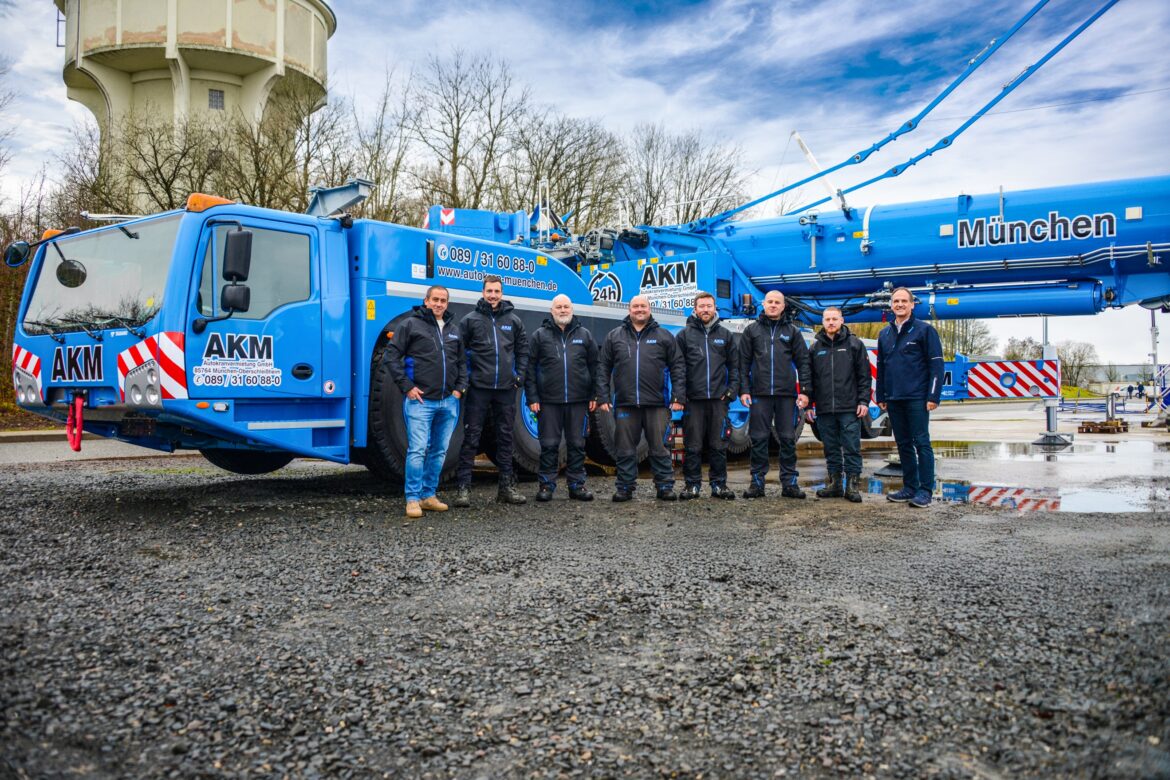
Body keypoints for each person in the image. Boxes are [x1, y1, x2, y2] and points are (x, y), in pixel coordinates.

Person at [384, 285, 466, 519]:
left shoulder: (453, 329)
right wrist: (407, 387)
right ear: (426, 301)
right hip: (421, 402)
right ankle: (412, 499)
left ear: (447, 304)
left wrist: (459, 389)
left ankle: (428, 495)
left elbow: (462, 362)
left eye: (443, 300)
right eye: (435, 300)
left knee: (439, 451)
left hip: (448, 402)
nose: (439, 304)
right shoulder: (410, 325)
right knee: (418, 450)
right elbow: (392, 356)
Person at [597, 295, 686, 502]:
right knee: (625, 449)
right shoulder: (615, 336)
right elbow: (602, 367)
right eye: (635, 306)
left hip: (656, 403)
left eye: (643, 306)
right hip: (626, 403)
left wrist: (678, 396)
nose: (639, 309)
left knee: (659, 447)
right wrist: (602, 396)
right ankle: (625, 488)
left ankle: (664, 486)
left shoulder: (663, 336)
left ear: (649, 309)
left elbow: (678, 367)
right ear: (629, 310)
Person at [452, 275, 529, 507]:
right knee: (471, 437)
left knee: (505, 438)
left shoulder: (513, 321)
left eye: (497, 291)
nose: (493, 295)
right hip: (478, 389)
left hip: (505, 389)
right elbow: (458, 352)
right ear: (483, 292)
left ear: (501, 293)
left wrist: (519, 376)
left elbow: (523, 350)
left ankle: (506, 488)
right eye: (489, 291)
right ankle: (463, 490)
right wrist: (465, 380)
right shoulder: (470, 320)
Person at [526, 295, 599, 502]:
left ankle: (577, 485)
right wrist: (532, 396)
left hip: (578, 400)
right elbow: (529, 368)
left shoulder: (584, 335)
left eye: (566, 306)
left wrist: (595, 393)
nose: (563, 310)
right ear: (552, 311)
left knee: (577, 444)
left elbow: (595, 366)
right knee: (549, 444)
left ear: (572, 309)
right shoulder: (540, 335)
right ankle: (546, 485)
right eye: (559, 307)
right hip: (548, 401)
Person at [876, 287, 944, 508]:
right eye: (896, 301)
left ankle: (925, 490)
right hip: (894, 398)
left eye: (904, 301)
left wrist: (933, 395)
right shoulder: (884, 334)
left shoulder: (925, 331)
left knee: (921, 443)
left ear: (913, 304)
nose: (900, 305)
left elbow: (936, 365)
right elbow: (881, 366)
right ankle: (909, 487)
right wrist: (882, 394)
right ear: (891, 305)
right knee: (903, 444)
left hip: (917, 397)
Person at [739, 290, 811, 499]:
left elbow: (803, 363)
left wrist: (804, 391)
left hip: (786, 396)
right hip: (759, 395)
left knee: (788, 439)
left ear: (783, 306)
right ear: (763, 304)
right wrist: (744, 389)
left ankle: (789, 483)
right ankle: (757, 482)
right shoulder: (751, 331)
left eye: (777, 302)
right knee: (759, 438)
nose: (773, 305)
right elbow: (742, 363)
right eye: (769, 301)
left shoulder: (793, 332)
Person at [676, 291, 739, 500]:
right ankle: (692, 485)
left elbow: (735, 367)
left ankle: (719, 485)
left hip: (718, 401)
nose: (705, 310)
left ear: (715, 309)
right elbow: (678, 369)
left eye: (709, 306)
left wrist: (730, 393)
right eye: (701, 306)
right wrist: (680, 396)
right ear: (695, 309)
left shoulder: (726, 335)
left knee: (719, 444)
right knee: (692, 445)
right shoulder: (684, 336)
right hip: (694, 401)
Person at [806, 306, 870, 503]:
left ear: (842, 321)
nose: (831, 322)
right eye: (827, 319)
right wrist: (809, 405)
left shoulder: (854, 344)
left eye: (834, 319)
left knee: (851, 447)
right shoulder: (815, 347)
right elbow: (809, 378)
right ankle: (834, 484)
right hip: (824, 408)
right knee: (831, 448)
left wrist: (863, 401)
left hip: (849, 407)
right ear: (822, 322)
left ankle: (852, 486)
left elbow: (864, 376)